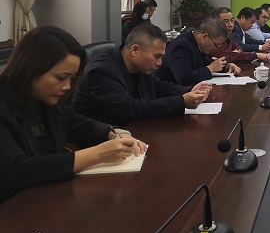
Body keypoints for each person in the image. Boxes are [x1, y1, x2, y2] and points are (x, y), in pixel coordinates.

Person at [0, 26, 147, 203]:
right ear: (30, 69)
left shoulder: (44, 100)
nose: (67, 86)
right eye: (60, 77)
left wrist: (114, 133)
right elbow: (14, 171)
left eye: (71, 78)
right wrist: (96, 155)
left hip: (47, 199)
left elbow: (79, 124)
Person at [73, 23, 210, 126]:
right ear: (135, 50)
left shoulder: (138, 66)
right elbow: (128, 109)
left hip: (133, 130)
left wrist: (189, 91)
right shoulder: (102, 71)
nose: (160, 63)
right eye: (157, 56)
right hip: (103, 141)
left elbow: (157, 86)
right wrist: (182, 101)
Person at [154, 18, 240, 86]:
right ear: (204, 36)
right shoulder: (182, 46)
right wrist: (210, 69)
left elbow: (204, 62)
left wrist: (225, 66)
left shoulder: (195, 42)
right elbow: (184, 78)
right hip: (167, 94)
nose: (216, 48)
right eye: (216, 45)